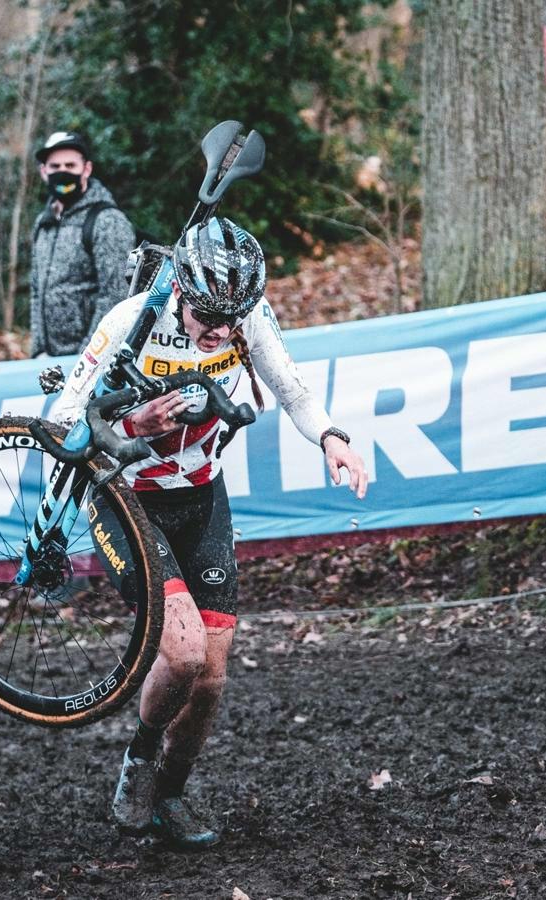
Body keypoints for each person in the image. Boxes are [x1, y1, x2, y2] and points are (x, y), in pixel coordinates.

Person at [53, 216, 367, 849]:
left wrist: (334, 438)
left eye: (233, 317)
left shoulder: (245, 315)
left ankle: (169, 796)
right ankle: (139, 763)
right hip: (127, 499)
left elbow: (293, 390)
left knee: (212, 677)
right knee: (185, 652)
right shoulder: (133, 320)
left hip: (201, 498)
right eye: (208, 317)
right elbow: (61, 418)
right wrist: (134, 424)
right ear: (183, 293)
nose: (220, 331)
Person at [30, 130, 136, 358]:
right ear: (44, 172)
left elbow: (116, 295)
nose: (62, 172)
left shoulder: (107, 221)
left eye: (70, 166)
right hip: (48, 363)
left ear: (86, 169)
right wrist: (37, 351)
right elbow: (36, 291)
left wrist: (87, 358)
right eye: (55, 167)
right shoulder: (44, 222)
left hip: (89, 362)